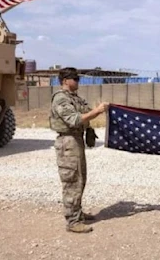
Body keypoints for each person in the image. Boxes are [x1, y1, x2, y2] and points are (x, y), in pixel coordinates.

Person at [49, 67, 109, 233]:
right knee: (72, 181)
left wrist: (92, 120)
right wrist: (97, 111)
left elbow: (85, 113)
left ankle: (77, 212)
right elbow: (74, 119)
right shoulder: (60, 99)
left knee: (81, 178)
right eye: (74, 78)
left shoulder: (74, 98)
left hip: (76, 140)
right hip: (67, 142)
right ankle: (73, 221)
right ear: (65, 80)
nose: (77, 81)